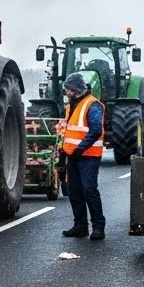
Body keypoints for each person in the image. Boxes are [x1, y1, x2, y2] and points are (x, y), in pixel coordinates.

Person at [56, 73, 106, 239]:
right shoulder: (71, 106)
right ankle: (80, 226)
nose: (67, 93)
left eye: (69, 90)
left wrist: (79, 150)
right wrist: (63, 156)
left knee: (89, 190)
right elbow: (68, 133)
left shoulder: (93, 105)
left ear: (77, 90)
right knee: (74, 191)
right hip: (73, 156)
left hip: (88, 156)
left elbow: (96, 130)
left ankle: (98, 227)